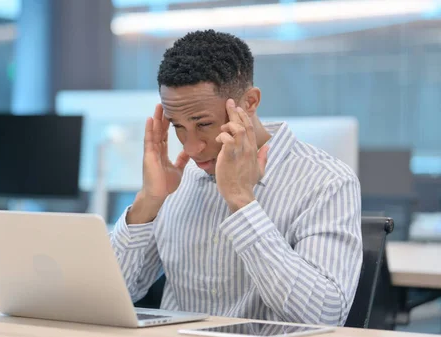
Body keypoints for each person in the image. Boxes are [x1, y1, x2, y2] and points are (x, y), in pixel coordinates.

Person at [109, 30, 362, 326]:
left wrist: (242, 202)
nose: (190, 148)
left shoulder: (327, 182)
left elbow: (323, 315)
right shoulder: (179, 179)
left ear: (250, 102)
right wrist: (147, 203)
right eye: (178, 126)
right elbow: (111, 295)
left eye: (203, 124)